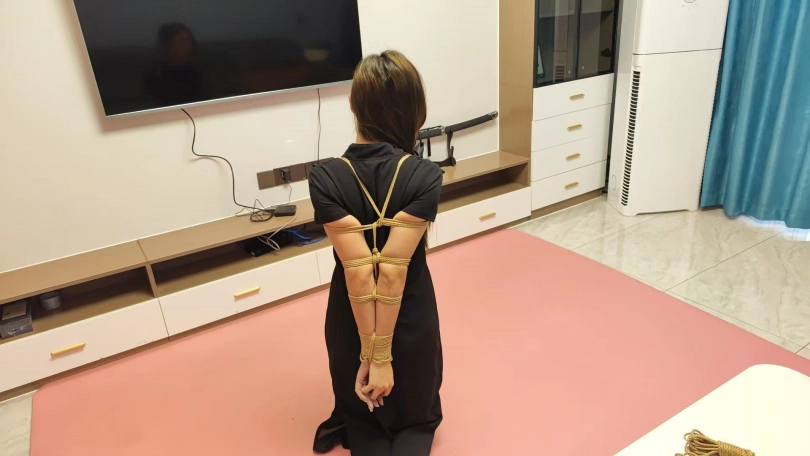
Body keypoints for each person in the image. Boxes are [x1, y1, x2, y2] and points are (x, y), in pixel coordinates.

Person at [309, 50, 444, 456]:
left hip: (351, 319)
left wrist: (368, 356)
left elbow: (358, 273)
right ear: (415, 110)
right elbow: (392, 273)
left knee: (363, 419)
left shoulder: (325, 178)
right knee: (415, 416)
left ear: (353, 106)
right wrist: (383, 358)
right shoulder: (424, 175)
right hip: (409, 316)